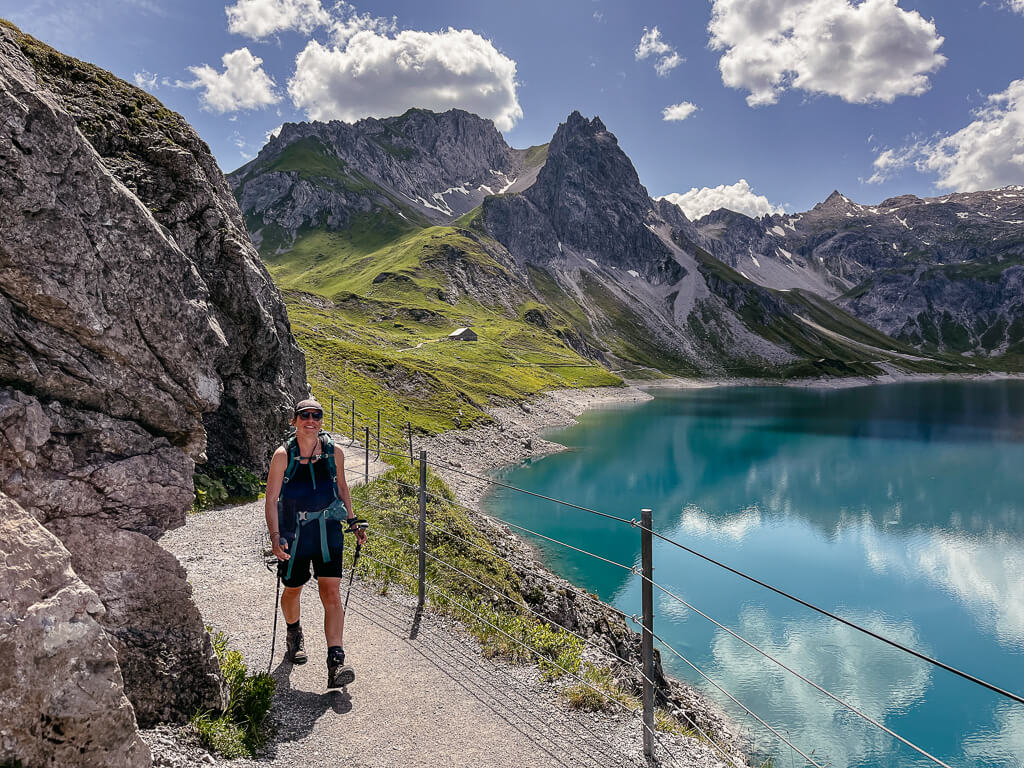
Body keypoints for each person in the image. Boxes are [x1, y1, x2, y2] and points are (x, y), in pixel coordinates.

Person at [264, 398, 368, 688]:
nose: (311, 420)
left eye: (317, 415)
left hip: (328, 530)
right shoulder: (283, 455)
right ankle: (294, 632)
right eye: (305, 415)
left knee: (331, 592)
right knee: (293, 589)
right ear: (294, 420)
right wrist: (275, 538)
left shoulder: (335, 452)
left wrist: (353, 521)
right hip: (294, 532)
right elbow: (271, 499)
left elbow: (343, 487)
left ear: (322, 419)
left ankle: (336, 661)